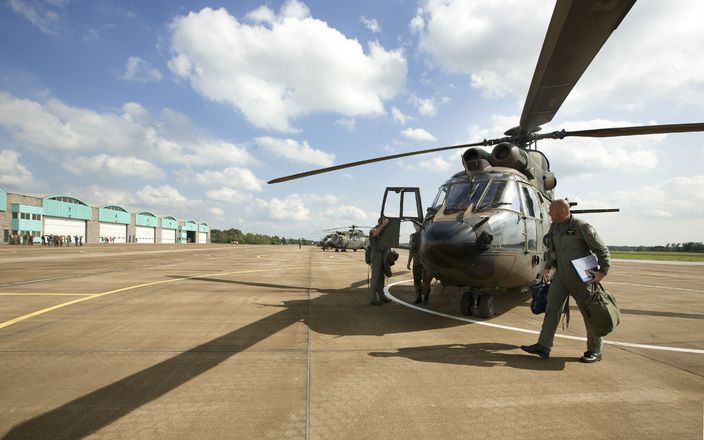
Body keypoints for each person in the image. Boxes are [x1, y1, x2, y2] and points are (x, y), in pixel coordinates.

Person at [521, 199, 611, 363]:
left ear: (562, 211)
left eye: (551, 211)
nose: (549, 213)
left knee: (589, 313)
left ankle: (595, 350)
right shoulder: (554, 228)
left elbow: (602, 250)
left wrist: (602, 272)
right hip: (561, 277)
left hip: (582, 278)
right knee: (552, 310)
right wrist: (548, 267)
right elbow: (552, 251)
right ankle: (543, 346)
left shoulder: (582, 227)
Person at [368, 216, 390, 305]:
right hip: (376, 254)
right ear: (380, 222)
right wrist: (384, 225)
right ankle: (373, 299)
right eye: (384, 221)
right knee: (375, 277)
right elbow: (375, 234)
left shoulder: (383, 231)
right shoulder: (374, 229)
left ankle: (381, 296)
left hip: (382, 254)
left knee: (381, 278)